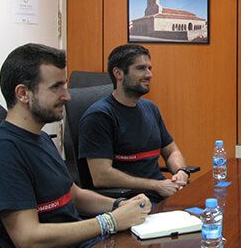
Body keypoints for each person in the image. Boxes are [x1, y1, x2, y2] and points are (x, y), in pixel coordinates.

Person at [0, 44, 150, 248]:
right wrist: (111, 222)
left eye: (64, 85)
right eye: (56, 87)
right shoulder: (1, 151)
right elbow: (28, 239)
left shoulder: (41, 138)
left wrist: (119, 204)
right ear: (23, 93)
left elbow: (74, 195)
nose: (67, 95)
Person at [79, 44, 192, 200]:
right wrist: (156, 185)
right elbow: (101, 176)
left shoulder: (150, 108)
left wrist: (181, 172)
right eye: (141, 68)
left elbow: (172, 151)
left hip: (163, 194)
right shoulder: (99, 116)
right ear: (118, 73)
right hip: (131, 201)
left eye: (149, 68)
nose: (149, 74)